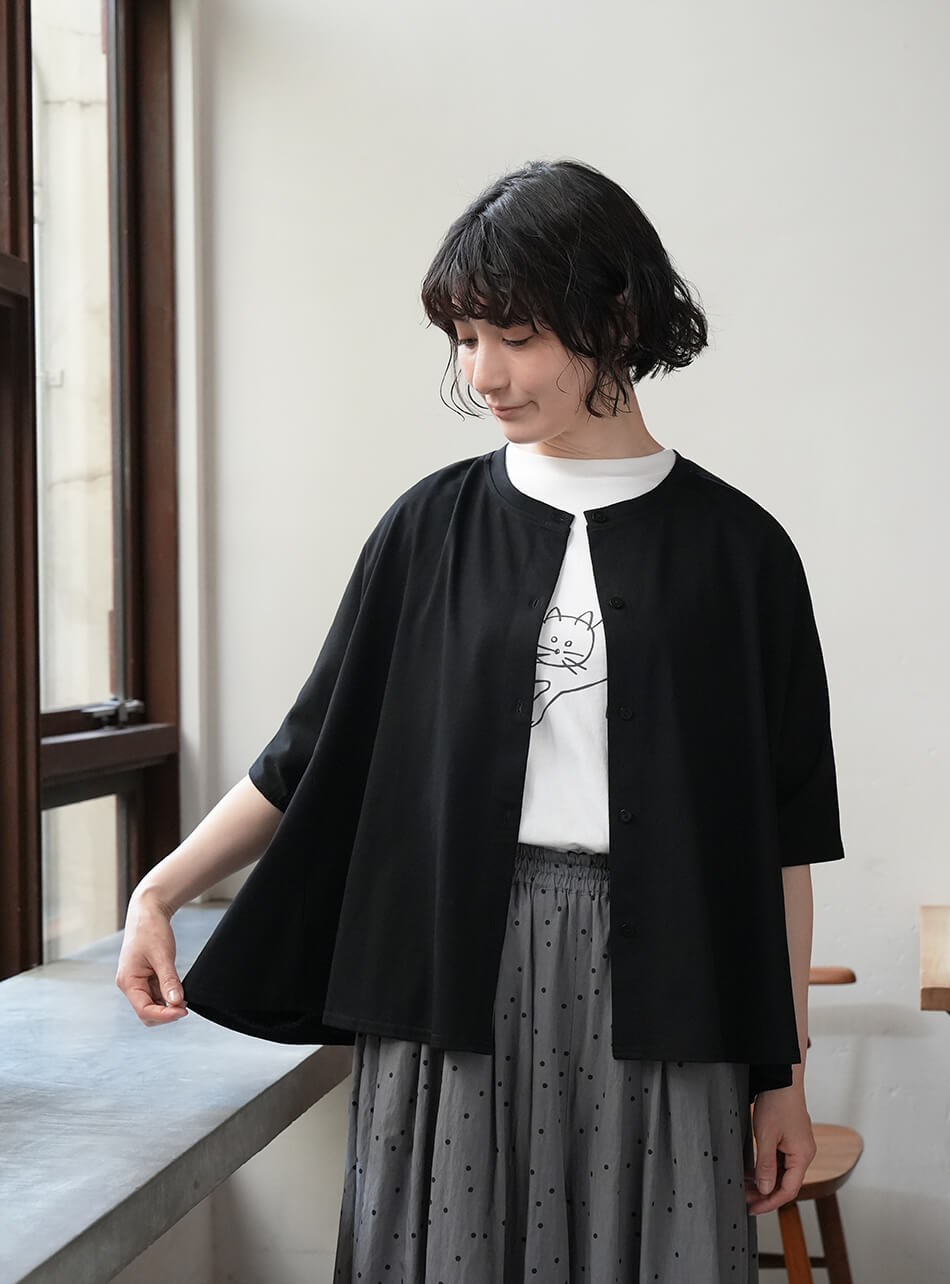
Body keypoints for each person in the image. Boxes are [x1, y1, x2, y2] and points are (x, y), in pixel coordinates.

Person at [116, 158, 845, 1283]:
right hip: (453, 967)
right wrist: (160, 891)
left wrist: (782, 1076)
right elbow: (310, 755)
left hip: (667, 986)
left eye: (515, 334)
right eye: (463, 338)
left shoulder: (740, 554)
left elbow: (781, 846)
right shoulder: (427, 530)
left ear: (615, 318)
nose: (483, 373)